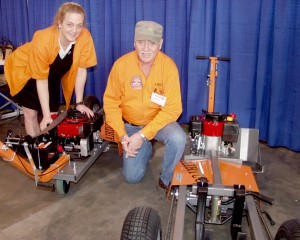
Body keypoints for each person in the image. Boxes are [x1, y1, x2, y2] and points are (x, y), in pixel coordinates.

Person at [103, 20, 186, 192]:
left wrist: (143, 135)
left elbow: (173, 108)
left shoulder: (168, 67)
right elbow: (111, 103)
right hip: (130, 126)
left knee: (178, 138)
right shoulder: (121, 65)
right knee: (132, 177)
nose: (146, 48)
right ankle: (147, 146)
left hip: (158, 124)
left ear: (160, 44)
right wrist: (123, 135)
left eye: (152, 43)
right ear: (134, 42)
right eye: (141, 42)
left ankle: (166, 179)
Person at [4, 2, 97, 137]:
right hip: (25, 71)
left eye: (79, 25)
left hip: (51, 74)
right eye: (69, 24)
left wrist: (79, 103)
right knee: (31, 113)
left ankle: (50, 149)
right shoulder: (42, 38)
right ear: (59, 23)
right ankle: (36, 150)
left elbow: (81, 70)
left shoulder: (84, 36)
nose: (74, 30)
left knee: (54, 117)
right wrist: (46, 114)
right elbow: (41, 79)